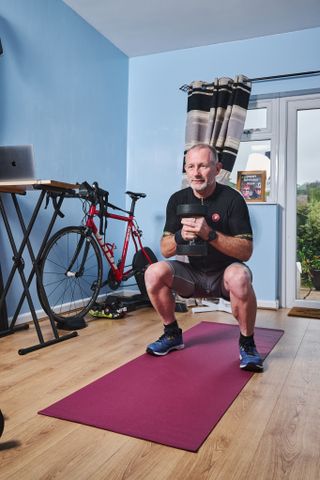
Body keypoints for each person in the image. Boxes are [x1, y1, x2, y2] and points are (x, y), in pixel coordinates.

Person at [144, 143, 263, 372]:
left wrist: (209, 234)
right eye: (191, 166)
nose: (196, 173)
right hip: (192, 275)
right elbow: (166, 249)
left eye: (203, 166)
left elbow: (246, 251)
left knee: (240, 276)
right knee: (153, 272)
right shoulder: (177, 200)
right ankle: (172, 334)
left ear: (217, 169)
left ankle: (247, 344)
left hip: (224, 276)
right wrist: (180, 236)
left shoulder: (232, 200)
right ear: (186, 170)